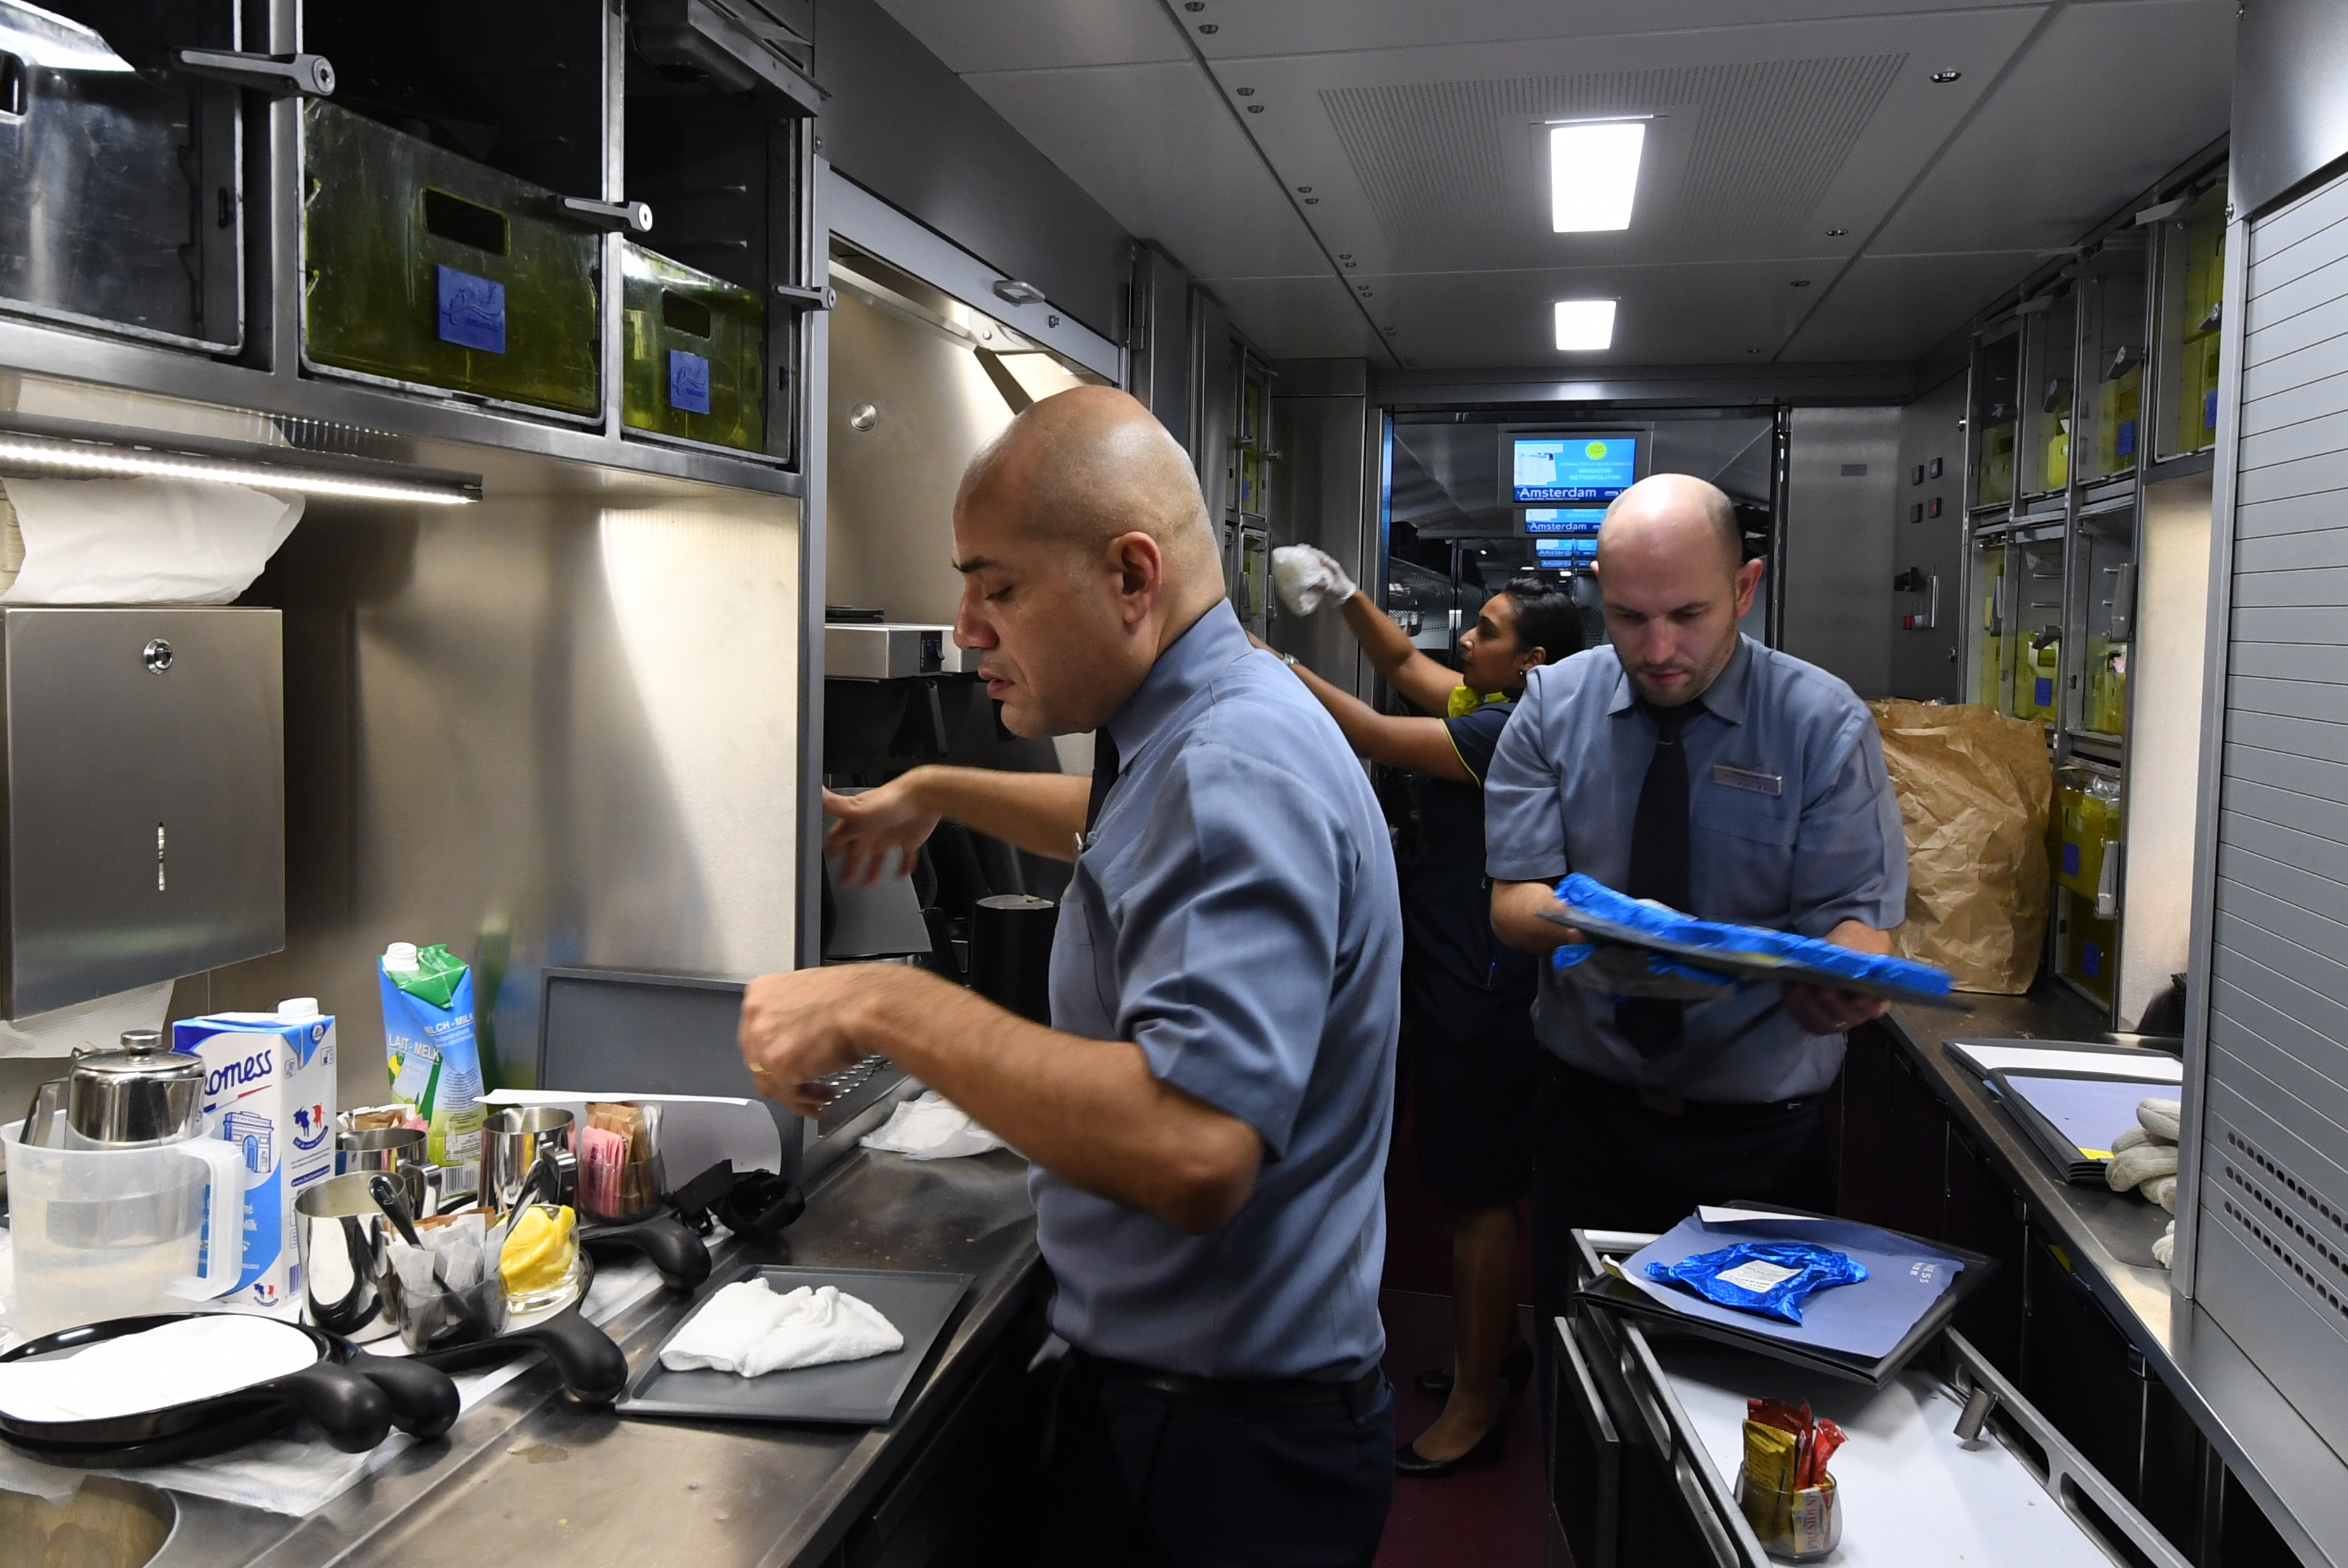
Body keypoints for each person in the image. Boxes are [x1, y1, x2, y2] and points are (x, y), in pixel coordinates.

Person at [739, 386, 1403, 1567]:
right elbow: (1127, 829)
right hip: (1220, 1417)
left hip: (1218, 1458)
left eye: (997, 588)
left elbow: (1195, 1149)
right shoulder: (1211, 719)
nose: (965, 629)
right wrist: (937, 788)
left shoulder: (1232, 764)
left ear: (1131, 576)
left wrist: (885, 1003)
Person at [1479, 473, 1906, 1338]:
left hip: (1758, 1148)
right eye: (1629, 617)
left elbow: (1859, 919)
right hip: (1590, 1124)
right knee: (1586, 1375)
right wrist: (1606, 926)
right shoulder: (1553, 707)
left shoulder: (1821, 724)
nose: (1659, 646)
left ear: (1744, 588)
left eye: (1688, 614)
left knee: (1745, 1388)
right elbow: (1513, 902)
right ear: (1600, 591)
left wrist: (1848, 976)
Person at [1263, 559, 1586, 1475]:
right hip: (1458, 978)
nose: (1467, 641)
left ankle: (1477, 1408)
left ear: (1533, 662)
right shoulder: (1499, 703)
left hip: (1483, 994)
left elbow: (1370, 729)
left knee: (1478, 1199)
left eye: (1488, 632)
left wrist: (1267, 664)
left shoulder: (1505, 731)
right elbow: (1405, 666)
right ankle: (1496, 1351)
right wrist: (1344, 594)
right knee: (1469, 1188)